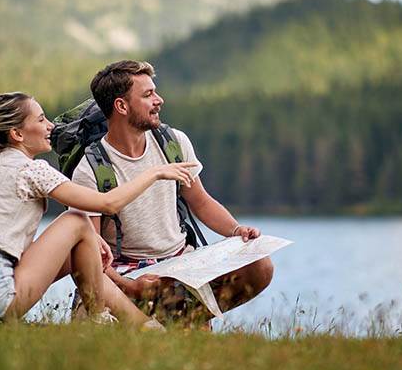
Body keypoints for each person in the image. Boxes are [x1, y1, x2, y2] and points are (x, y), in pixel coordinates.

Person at [0, 91, 197, 326]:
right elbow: (108, 203)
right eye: (41, 120)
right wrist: (155, 173)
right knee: (76, 219)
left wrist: (89, 241)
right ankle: (118, 322)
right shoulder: (30, 169)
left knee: (80, 238)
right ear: (17, 134)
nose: (50, 127)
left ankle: (127, 321)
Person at [71, 61, 274, 324]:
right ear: (121, 106)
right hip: (126, 273)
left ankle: (178, 319)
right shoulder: (91, 169)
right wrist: (129, 286)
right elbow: (88, 253)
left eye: (155, 92)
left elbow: (200, 202)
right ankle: (172, 320)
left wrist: (236, 231)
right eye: (148, 95)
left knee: (260, 266)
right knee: (96, 323)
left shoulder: (173, 142)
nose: (159, 100)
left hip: (180, 263)